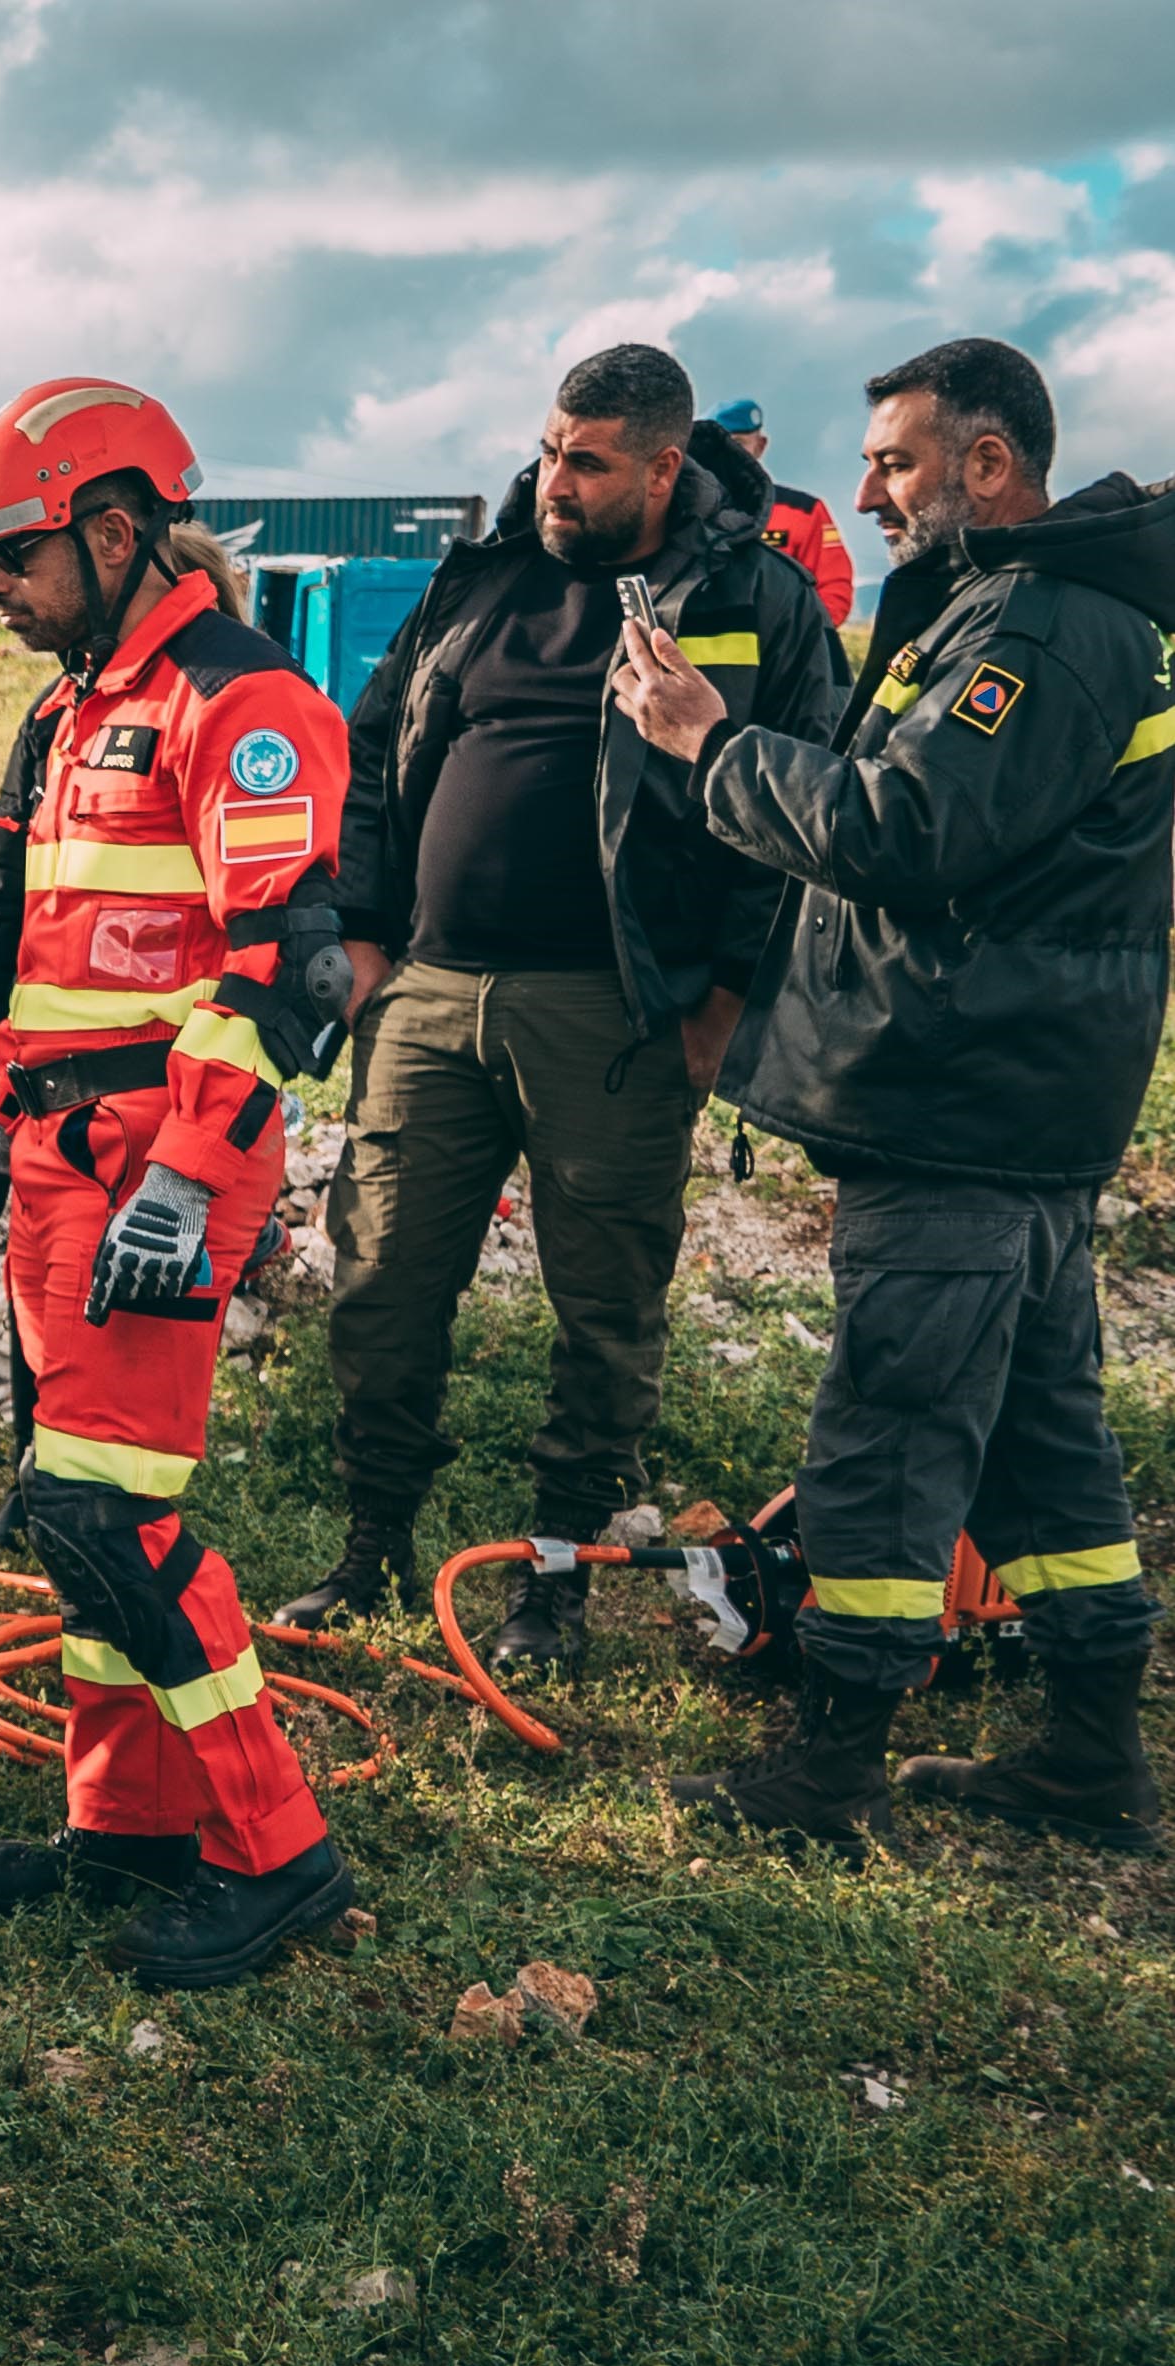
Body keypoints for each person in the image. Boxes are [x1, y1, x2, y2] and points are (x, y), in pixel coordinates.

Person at [618, 338, 1173, 1854]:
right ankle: (1085, 1757)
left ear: (986, 465)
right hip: (1013, 1107)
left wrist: (709, 746)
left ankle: (829, 1767)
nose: (859, 492)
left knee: (889, 1428)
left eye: (894, 463)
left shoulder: (1044, 632)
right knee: (1038, 1438)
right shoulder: (1033, 607)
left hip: (960, 1113)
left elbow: (907, 829)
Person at [0, 378, 360, 1987]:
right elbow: (43, 951)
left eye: (15, 556)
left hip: (152, 1167)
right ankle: (125, 1823)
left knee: (113, 1514)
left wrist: (184, 1177)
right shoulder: (78, 699)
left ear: (111, 530)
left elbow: (283, 971)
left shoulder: (236, 705)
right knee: (75, 1516)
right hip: (57, 1152)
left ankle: (278, 1848)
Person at [294, 346, 845, 1666]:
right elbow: (369, 753)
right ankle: (372, 1548)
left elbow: (795, 806)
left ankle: (552, 1578)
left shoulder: (755, 598)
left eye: (586, 460)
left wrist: (718, 996)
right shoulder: (478, 580)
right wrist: (365, 933)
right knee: (378, 1283)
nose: (554, 478)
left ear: (663, 468)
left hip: (615, 1014)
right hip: (427, 993)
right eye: (548, 448)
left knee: (602, 1310)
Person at [713, 397, 857, 628]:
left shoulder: (805, 512)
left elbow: (834, 589)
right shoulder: (687, 510)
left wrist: (801, 639)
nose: (729, 454)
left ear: (760, 446)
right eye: (721, 445)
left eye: (738, 444)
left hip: (787, 654)